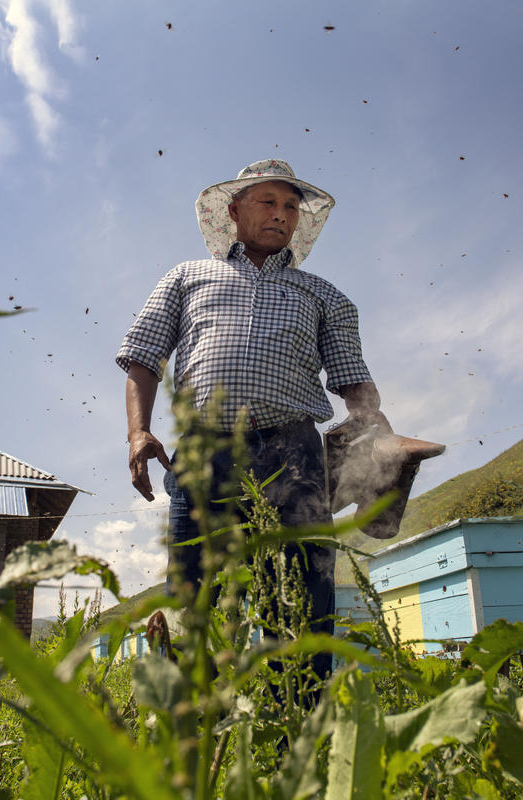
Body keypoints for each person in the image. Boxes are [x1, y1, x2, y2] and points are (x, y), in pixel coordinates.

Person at [115, 159, 437, 679]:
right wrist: (138, 431)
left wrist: (381, 435)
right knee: (195, 601)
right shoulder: (187, 277)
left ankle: (299, 740)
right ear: (234, 210)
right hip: (203, 454)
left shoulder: (324, 295)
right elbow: (143, 357)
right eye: (268, 202)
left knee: (303, 606)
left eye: (290, 206)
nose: (281, 214)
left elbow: (354, 379)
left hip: (295, 457)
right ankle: (197, 731)